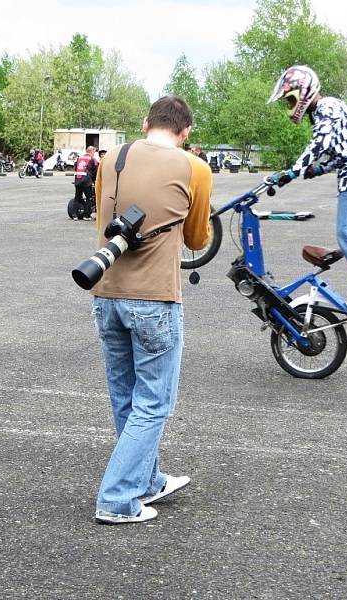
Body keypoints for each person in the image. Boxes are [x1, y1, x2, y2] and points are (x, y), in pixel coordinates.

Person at [89, 95, 213, 524]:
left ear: (145, 123)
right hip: (155, 300)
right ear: (186, 132)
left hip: (104, 292)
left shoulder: (112, 157)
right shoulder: (194, 167)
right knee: (154, 402)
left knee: (126, 396)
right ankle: (118, 499)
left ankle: (149, 479)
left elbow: (101, 222)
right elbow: (197, 240)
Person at [267, 65, 347, 312]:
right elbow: (339, 153)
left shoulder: (326, 106)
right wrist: (318, 170)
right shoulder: (334, 107)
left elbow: (319, 143)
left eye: (290, 98)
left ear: (304, 90)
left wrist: (293, 172)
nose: (289, 105)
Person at [72, 146, 98, 220]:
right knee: (89, 198)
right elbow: (96, 169)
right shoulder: (92, 159)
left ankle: (74, 215)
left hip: (78, 179)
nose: (94, 153)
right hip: (86, 180)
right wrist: (94, 179)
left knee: (77, 197)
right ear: (91, 151)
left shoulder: (79, 158)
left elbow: (76, 167)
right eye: (94, 152)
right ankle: (86, 215)